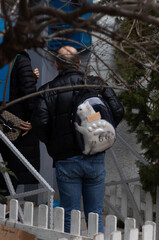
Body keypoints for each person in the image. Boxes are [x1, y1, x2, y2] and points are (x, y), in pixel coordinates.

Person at [31, 46, 124, 233]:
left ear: (57, 65)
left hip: (66, 159)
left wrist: (54, 142)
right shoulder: (97, 84)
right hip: (95, 155)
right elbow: (118, 111)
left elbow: (40, 124)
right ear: (79, 63)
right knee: (95, 213)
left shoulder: (46, 91)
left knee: (70, 214)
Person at [0, 51, 40, 196]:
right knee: (11, 172)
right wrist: (33, 120)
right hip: (14, 124)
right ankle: (8, 212)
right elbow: (28, 94)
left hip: (4, 121)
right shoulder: (20, 59)